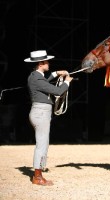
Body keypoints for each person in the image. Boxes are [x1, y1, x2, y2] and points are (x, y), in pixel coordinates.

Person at [24, 50, 73, 186]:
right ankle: (37, 177)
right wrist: (67, 82)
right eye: (46, 61)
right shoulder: (37, 78)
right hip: (41, 113)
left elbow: (45, 81)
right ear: (41, 64)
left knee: (43, 143)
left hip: (40, 112)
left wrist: (56, 73)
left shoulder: (36, 76)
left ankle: (39, 172)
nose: (48, 63)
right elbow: (58, 91)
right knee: (41, 145)